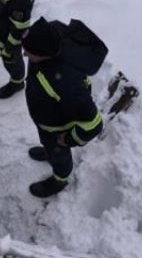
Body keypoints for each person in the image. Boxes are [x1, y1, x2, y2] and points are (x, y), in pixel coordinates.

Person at [19, 18, 106, 198]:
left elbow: (94, 124)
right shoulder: (50, 35)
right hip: (46, 115)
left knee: (59, 154)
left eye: (29, 52)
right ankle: (50, 151)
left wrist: (68, 139)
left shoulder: (66, 84)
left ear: (45, 54)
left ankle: (60, 178)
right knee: (48, 144)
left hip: (58, 127)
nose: (25, 55)